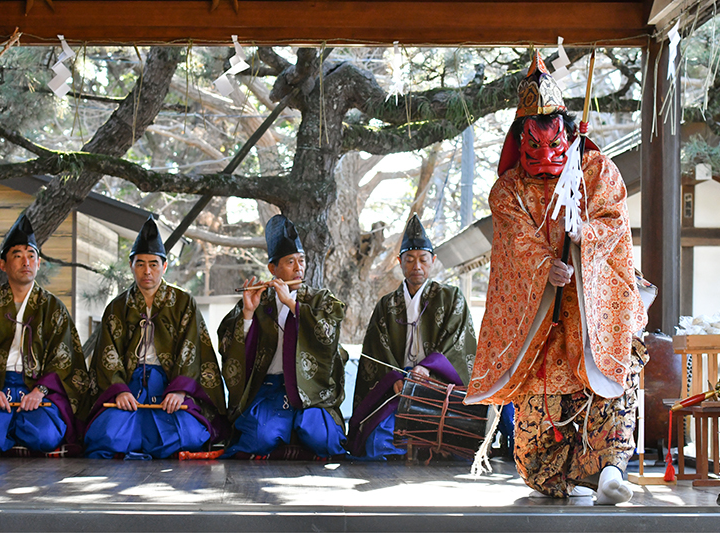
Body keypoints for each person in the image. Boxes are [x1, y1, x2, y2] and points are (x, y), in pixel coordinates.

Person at [465, 52, 648, 504]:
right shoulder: (508, 189)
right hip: (540, 318)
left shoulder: (596, 170)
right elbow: (514, 242)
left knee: (605, 384)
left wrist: (584, 236)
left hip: (591, 309)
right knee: (536, 445)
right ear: (520, 139)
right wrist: (546, 267)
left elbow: (615, 223)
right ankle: (560, 477)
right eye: (533, 145)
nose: (545, 155)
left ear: (566, 131)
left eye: (553, 142)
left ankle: (608, 470)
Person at [85, 216, 227, 459]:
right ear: (131, 266)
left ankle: (139, 444)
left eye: (153, 263)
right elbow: (107, 355)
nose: (147, 271)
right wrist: (119, 390)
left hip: (169, 384)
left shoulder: (183, 303)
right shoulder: (117, 307)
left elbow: (192, 350)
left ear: (165, 266)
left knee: (191, 435)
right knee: (105, 435)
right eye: (140, 264)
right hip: (129, 384)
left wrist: (180, 390)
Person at [347, 213, 478, 460]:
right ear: (399, 262)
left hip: (439, 385)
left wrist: (428, 370)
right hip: (399, 386)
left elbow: (458, 344)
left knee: (458, 444)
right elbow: (376, 353)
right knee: (377, 443)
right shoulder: (387, 305)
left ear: (433, 261)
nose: (416, 266)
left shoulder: (451, 298)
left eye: (422, 259)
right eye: (409, 259)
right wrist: (394, 379)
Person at [218, 214, 348, 459]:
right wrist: (247, 313)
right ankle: (284, 434)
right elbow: (228, 345)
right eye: (290, 262)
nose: (299, 268)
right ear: (272, 269)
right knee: (259, 439)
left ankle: (295, 434)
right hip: (271, 389)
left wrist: (292, 305)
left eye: (302, 261)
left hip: (311, 393)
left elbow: (329, 338)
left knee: (324, 441)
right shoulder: (259, 300)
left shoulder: (321, 300)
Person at [0, 213, 90, 454]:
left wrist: (39, 391)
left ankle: (15, 435)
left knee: (44, 436)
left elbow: (64, 358)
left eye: (31, 256)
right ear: (3, 264)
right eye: (18, 256)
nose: (26, 262)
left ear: (38, 263)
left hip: (38, 391)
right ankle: (9, 433)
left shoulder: (53, 308)